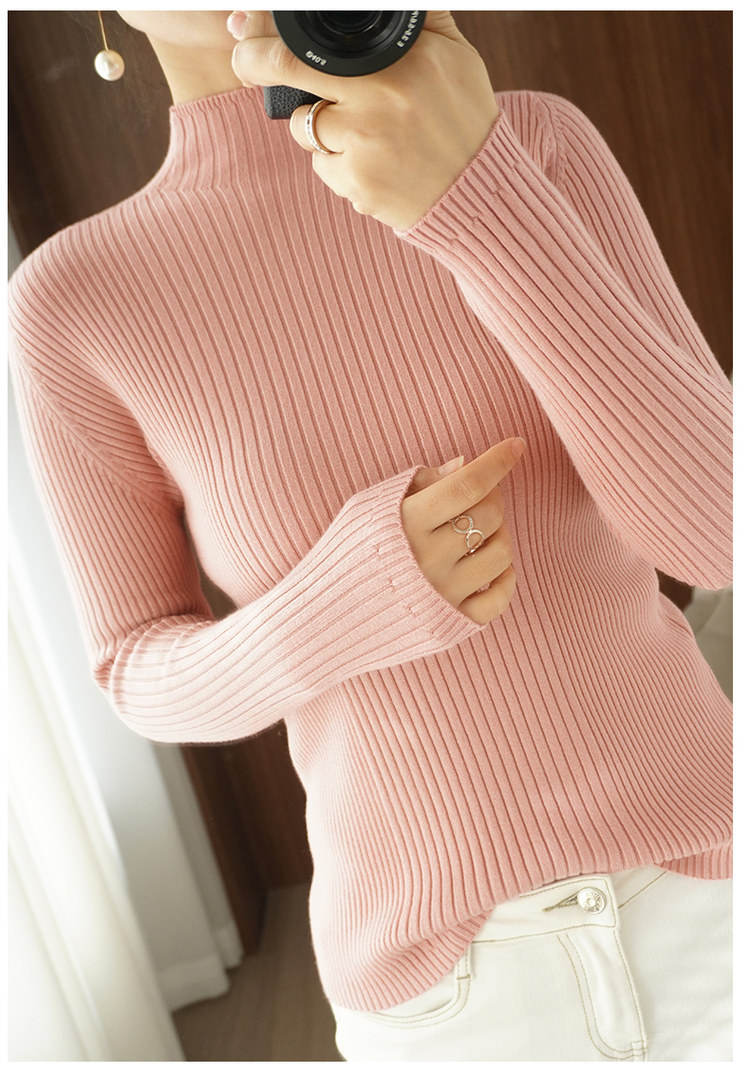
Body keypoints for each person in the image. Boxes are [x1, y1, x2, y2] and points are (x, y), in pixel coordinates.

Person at [9, 10, 732, 1062]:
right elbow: (136, 668)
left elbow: (718, 536)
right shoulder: (73, 301)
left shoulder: (532, 144)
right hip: (448, 993)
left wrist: (479, 199)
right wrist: (342, 605)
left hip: (715, 888)